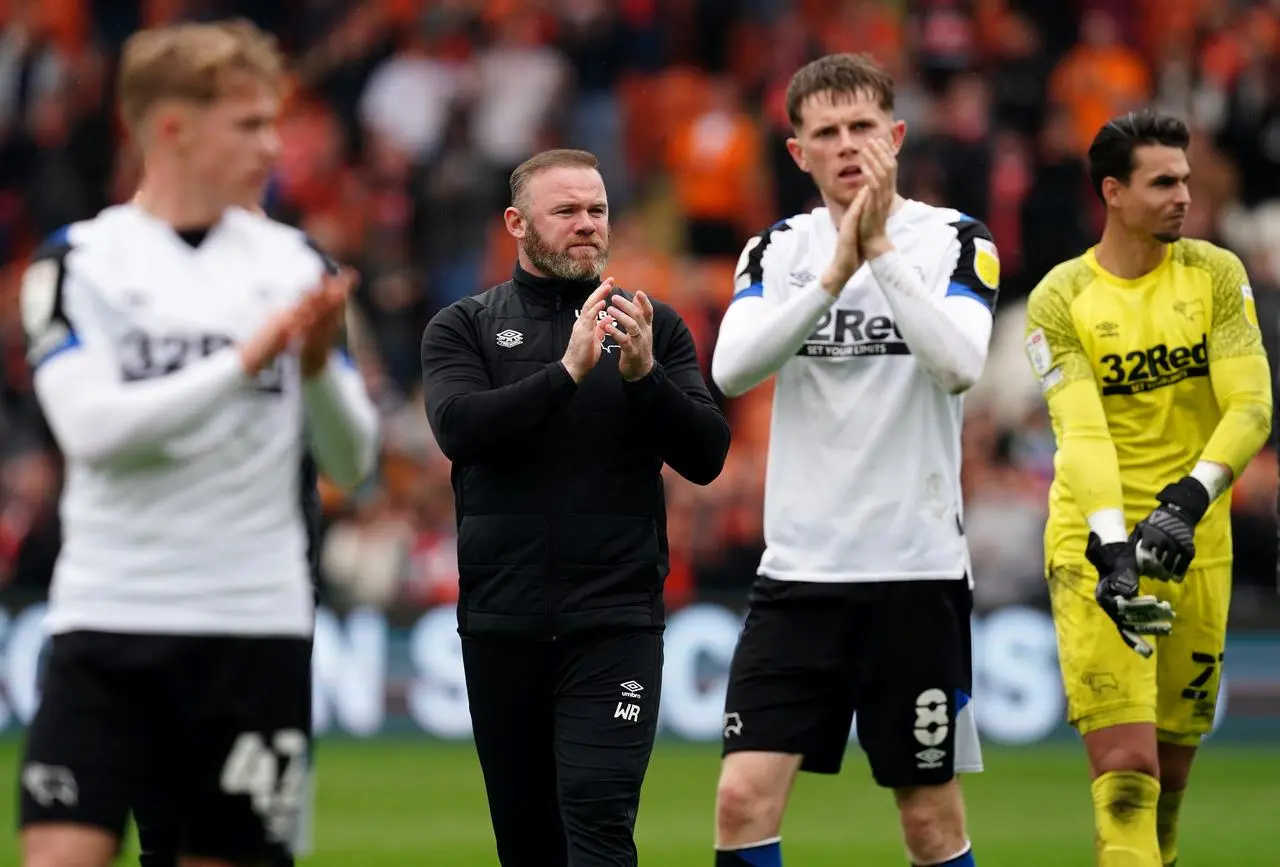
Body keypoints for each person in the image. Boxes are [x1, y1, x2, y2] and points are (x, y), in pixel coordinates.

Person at [16, 19, 379, 867]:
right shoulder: (81, 263)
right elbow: (94, 431)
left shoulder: (294, 264)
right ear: (171, 128)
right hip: (107, 621)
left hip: (251, 627)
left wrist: (319, 367)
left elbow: (352, 462)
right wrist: (243, 360)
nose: (274, 143)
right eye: (249, 124)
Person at [709, 53, 998, 867]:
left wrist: (878, 254)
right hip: (798, 575)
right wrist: (835, 271)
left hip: (916, 576)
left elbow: (960, 364)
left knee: (929, 821)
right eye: (825, 132)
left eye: (863, 127)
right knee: (741, 798)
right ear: (797, 152)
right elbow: (732, 369)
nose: (847, 145)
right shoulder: (776, 251)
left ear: (896, 136)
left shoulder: (952, 240)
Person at [419, 147, 731, 867]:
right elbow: (460, 427)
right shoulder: (462, 326)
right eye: (566, 211)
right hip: (504, 624)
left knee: (598, 814)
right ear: (517, 223)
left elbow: (708, 455)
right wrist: (567, 373)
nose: (587, 224)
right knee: (529, 844)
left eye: (597, 210)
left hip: (615, 621)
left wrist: (647, 376)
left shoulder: (652, 328)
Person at [1023, 110, 1272, 867]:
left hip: (1196, 542)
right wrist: (1111, 542)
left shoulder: (1217, 275)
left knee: (1171, 779)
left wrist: (1187, 501)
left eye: (1186, 179)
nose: (1184, 195)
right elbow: (1082, 433)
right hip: (1097, 547)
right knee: (1127, 772)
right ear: (1114, 193)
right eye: (1163, 181)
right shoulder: (1059, 299)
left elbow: (1252, 404)